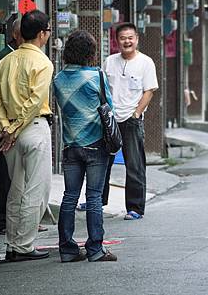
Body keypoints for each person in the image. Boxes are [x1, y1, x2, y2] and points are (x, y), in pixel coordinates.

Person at [0, 9, 53, 261]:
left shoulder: (6, 60)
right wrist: (15, 128)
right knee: (36, 190)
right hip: (33, 129)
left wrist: (6, 128)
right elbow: (35, 101)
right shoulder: (43, 62)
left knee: (15, 189)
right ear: (41, 34)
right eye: (48, 31)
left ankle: (11, 244)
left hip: (9, 135)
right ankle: (24, 246)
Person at [53, 30, 118, 262]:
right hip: (95, 145)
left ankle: (68, 250)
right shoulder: (96, 76)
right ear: (90, 52)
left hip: (70, 145)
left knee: (69, 196)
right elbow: (109, 108)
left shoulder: (58, 79)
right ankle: (95, 250)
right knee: (93, 197)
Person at [103, 22, 158, 220]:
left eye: (130, 38)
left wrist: (136, 114)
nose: (127, 41)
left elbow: (149, 91)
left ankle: (135, 208)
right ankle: (98, 201)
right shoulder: (109, 61)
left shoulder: (146, 62)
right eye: (123, 38)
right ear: (116, 40)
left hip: (131, 119)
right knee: (103, 162)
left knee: (134, 165)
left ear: (136, 39)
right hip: (110, 119)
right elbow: (104, 90)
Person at [0, 19, 23, 235]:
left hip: (14, 124)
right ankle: (2, 221)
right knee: (7, 174)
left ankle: (14, 219)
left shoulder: (17, 55)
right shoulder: (6, 56)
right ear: (16, 34)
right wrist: (6, 127)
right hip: (6, 125)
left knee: (16, 174)